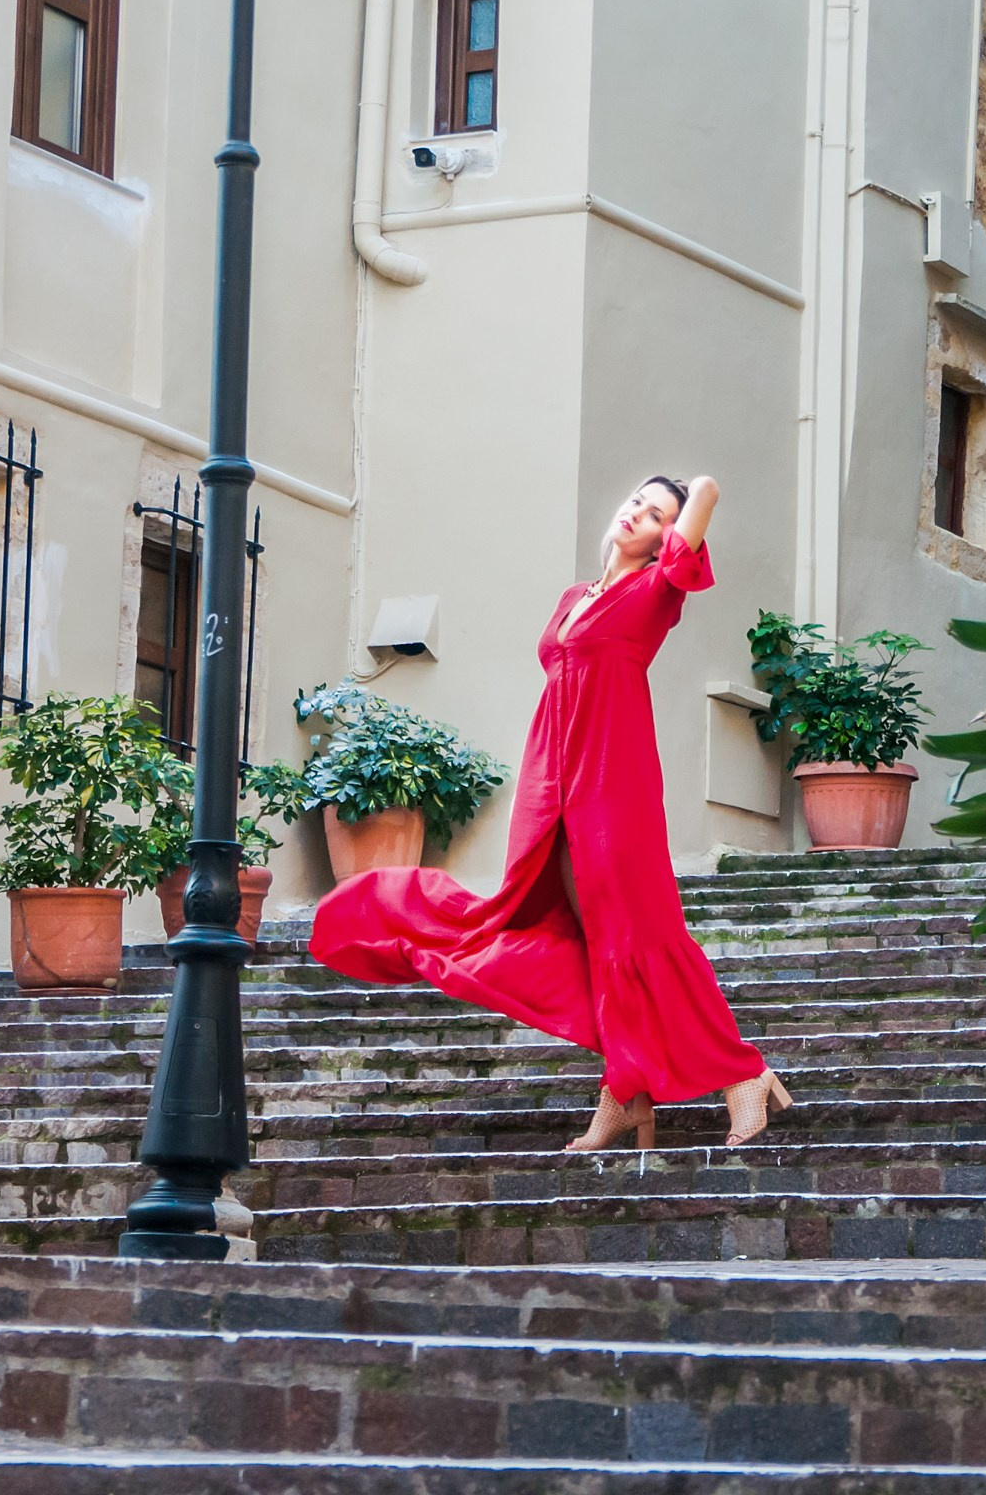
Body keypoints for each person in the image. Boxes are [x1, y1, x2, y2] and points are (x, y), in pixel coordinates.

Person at [310, 474, 792, 1151]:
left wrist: (690, 495)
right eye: (636, 501)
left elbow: (708, 492)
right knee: (588, 936)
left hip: (614, 775)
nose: (637, 514)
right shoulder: (574, 597)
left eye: (657, 515)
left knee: (642, 931)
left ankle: (743, 1073)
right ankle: (625, 1089)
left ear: (668, 540)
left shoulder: (658, 592)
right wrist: (544, 790)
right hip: (555, 774)